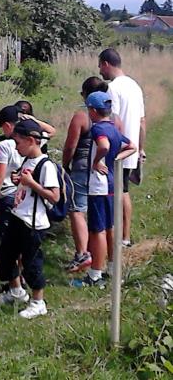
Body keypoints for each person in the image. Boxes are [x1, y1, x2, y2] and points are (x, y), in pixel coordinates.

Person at [0, 119, 59, 319]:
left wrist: (31, 183)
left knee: (32, 263)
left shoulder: (46, 165)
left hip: (33, 222)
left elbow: (54, 196)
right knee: (5, 256)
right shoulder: (27, 160)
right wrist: (20, 181)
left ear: (31, 140)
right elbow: (25, 183)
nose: (16, 148)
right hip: (18, 215)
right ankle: (16, 292)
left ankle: (38, 302)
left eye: (18, 143)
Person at [72, 92, 136, 287]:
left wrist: (97, 161)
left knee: (97, 230)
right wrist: (116, 160)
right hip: (111, 184)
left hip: (98, 185)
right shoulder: (114, 128)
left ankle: (95, 276)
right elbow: (132, 146)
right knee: (110, 227)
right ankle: (112, 269)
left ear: (92, 110)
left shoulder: (98, 129)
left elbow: (104, 146)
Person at [99, 48, 146, 247]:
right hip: (132, 147)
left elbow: (115, 122)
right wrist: (141, 148)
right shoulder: (135, 86)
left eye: (100, 65)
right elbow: (143, 121)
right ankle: (125, 236)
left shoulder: (113, 88)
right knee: (124, 190)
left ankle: (122, 238)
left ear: (106, 64)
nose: (100, 70)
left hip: (119, 149)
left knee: (120, 193)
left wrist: (110, 149)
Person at [62, 77, 109, 272]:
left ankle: (82, 254)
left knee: (77, 210)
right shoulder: (111, 116)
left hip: (81, 168)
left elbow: (71, 145)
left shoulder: (82, 116)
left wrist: (65, 165)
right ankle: (102, 260)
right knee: (98, 215)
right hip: (103, 171)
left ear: (86, 95)